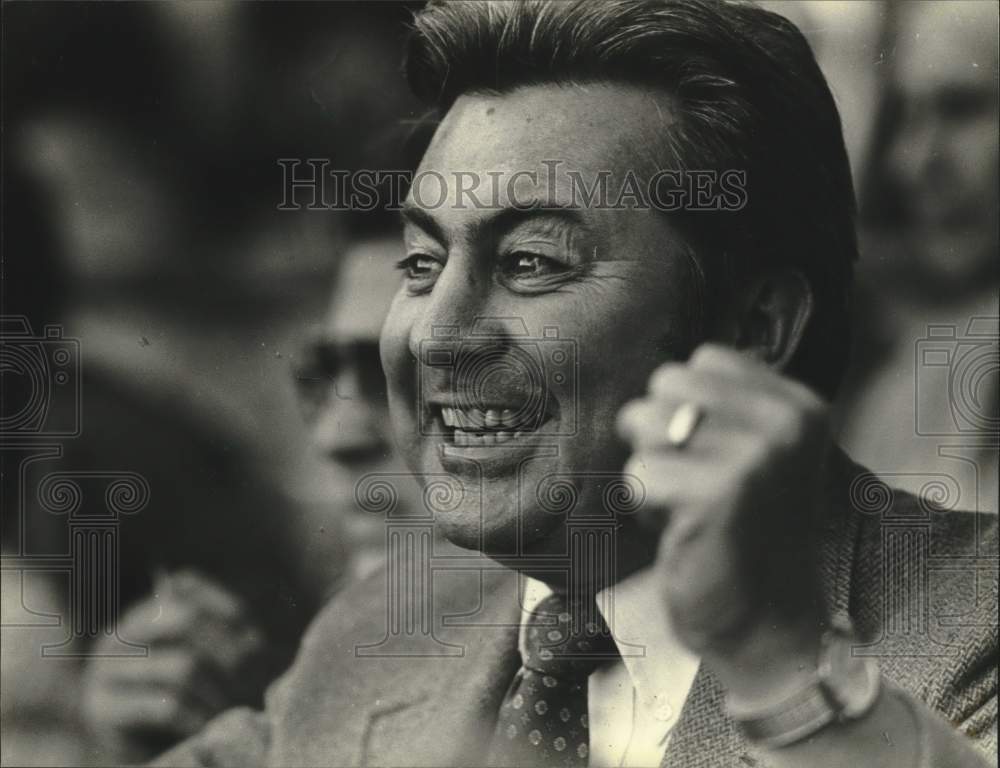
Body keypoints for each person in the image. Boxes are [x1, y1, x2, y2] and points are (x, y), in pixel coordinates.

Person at [155, 2, 997, 766]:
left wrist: (781, 665)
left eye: (531, 263)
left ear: (754, 327)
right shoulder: (375, 633)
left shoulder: (977, 622)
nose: (437, 336)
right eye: (422, 263)